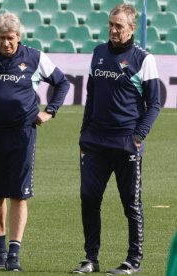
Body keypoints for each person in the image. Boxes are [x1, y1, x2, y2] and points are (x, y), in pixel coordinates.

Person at [0, 12, 70, 272]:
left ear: (19, 37)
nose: (6, 43)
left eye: (11, 38)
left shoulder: (35, 57)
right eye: (1, 38)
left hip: (22, 133)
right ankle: (0, 248)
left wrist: (49, 111)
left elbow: (62, 83)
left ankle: (14, 253)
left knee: (19, 194)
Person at [72, 4, 161, 275]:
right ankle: (91, 259)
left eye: (119, 26)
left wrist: (138, 136)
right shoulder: (98, 53)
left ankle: (133, 260)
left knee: (130, 204)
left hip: (126, 143)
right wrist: (84, 133)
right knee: (89, 198)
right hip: (95, 142)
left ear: (132, 29)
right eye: (111, 24)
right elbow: (91, 96)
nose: (113, 29)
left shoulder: (144, 59)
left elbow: (154, 104)